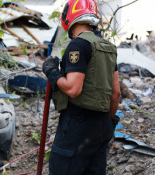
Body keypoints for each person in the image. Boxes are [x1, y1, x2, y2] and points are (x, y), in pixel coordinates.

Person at [42, 0, 121, 174]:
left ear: (69, 17)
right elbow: (116, 93)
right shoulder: (108, 47)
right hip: (102, 125)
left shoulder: (78, 44)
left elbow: (73, 89)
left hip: (78, 124)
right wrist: (109, 121)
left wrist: (52, 72)